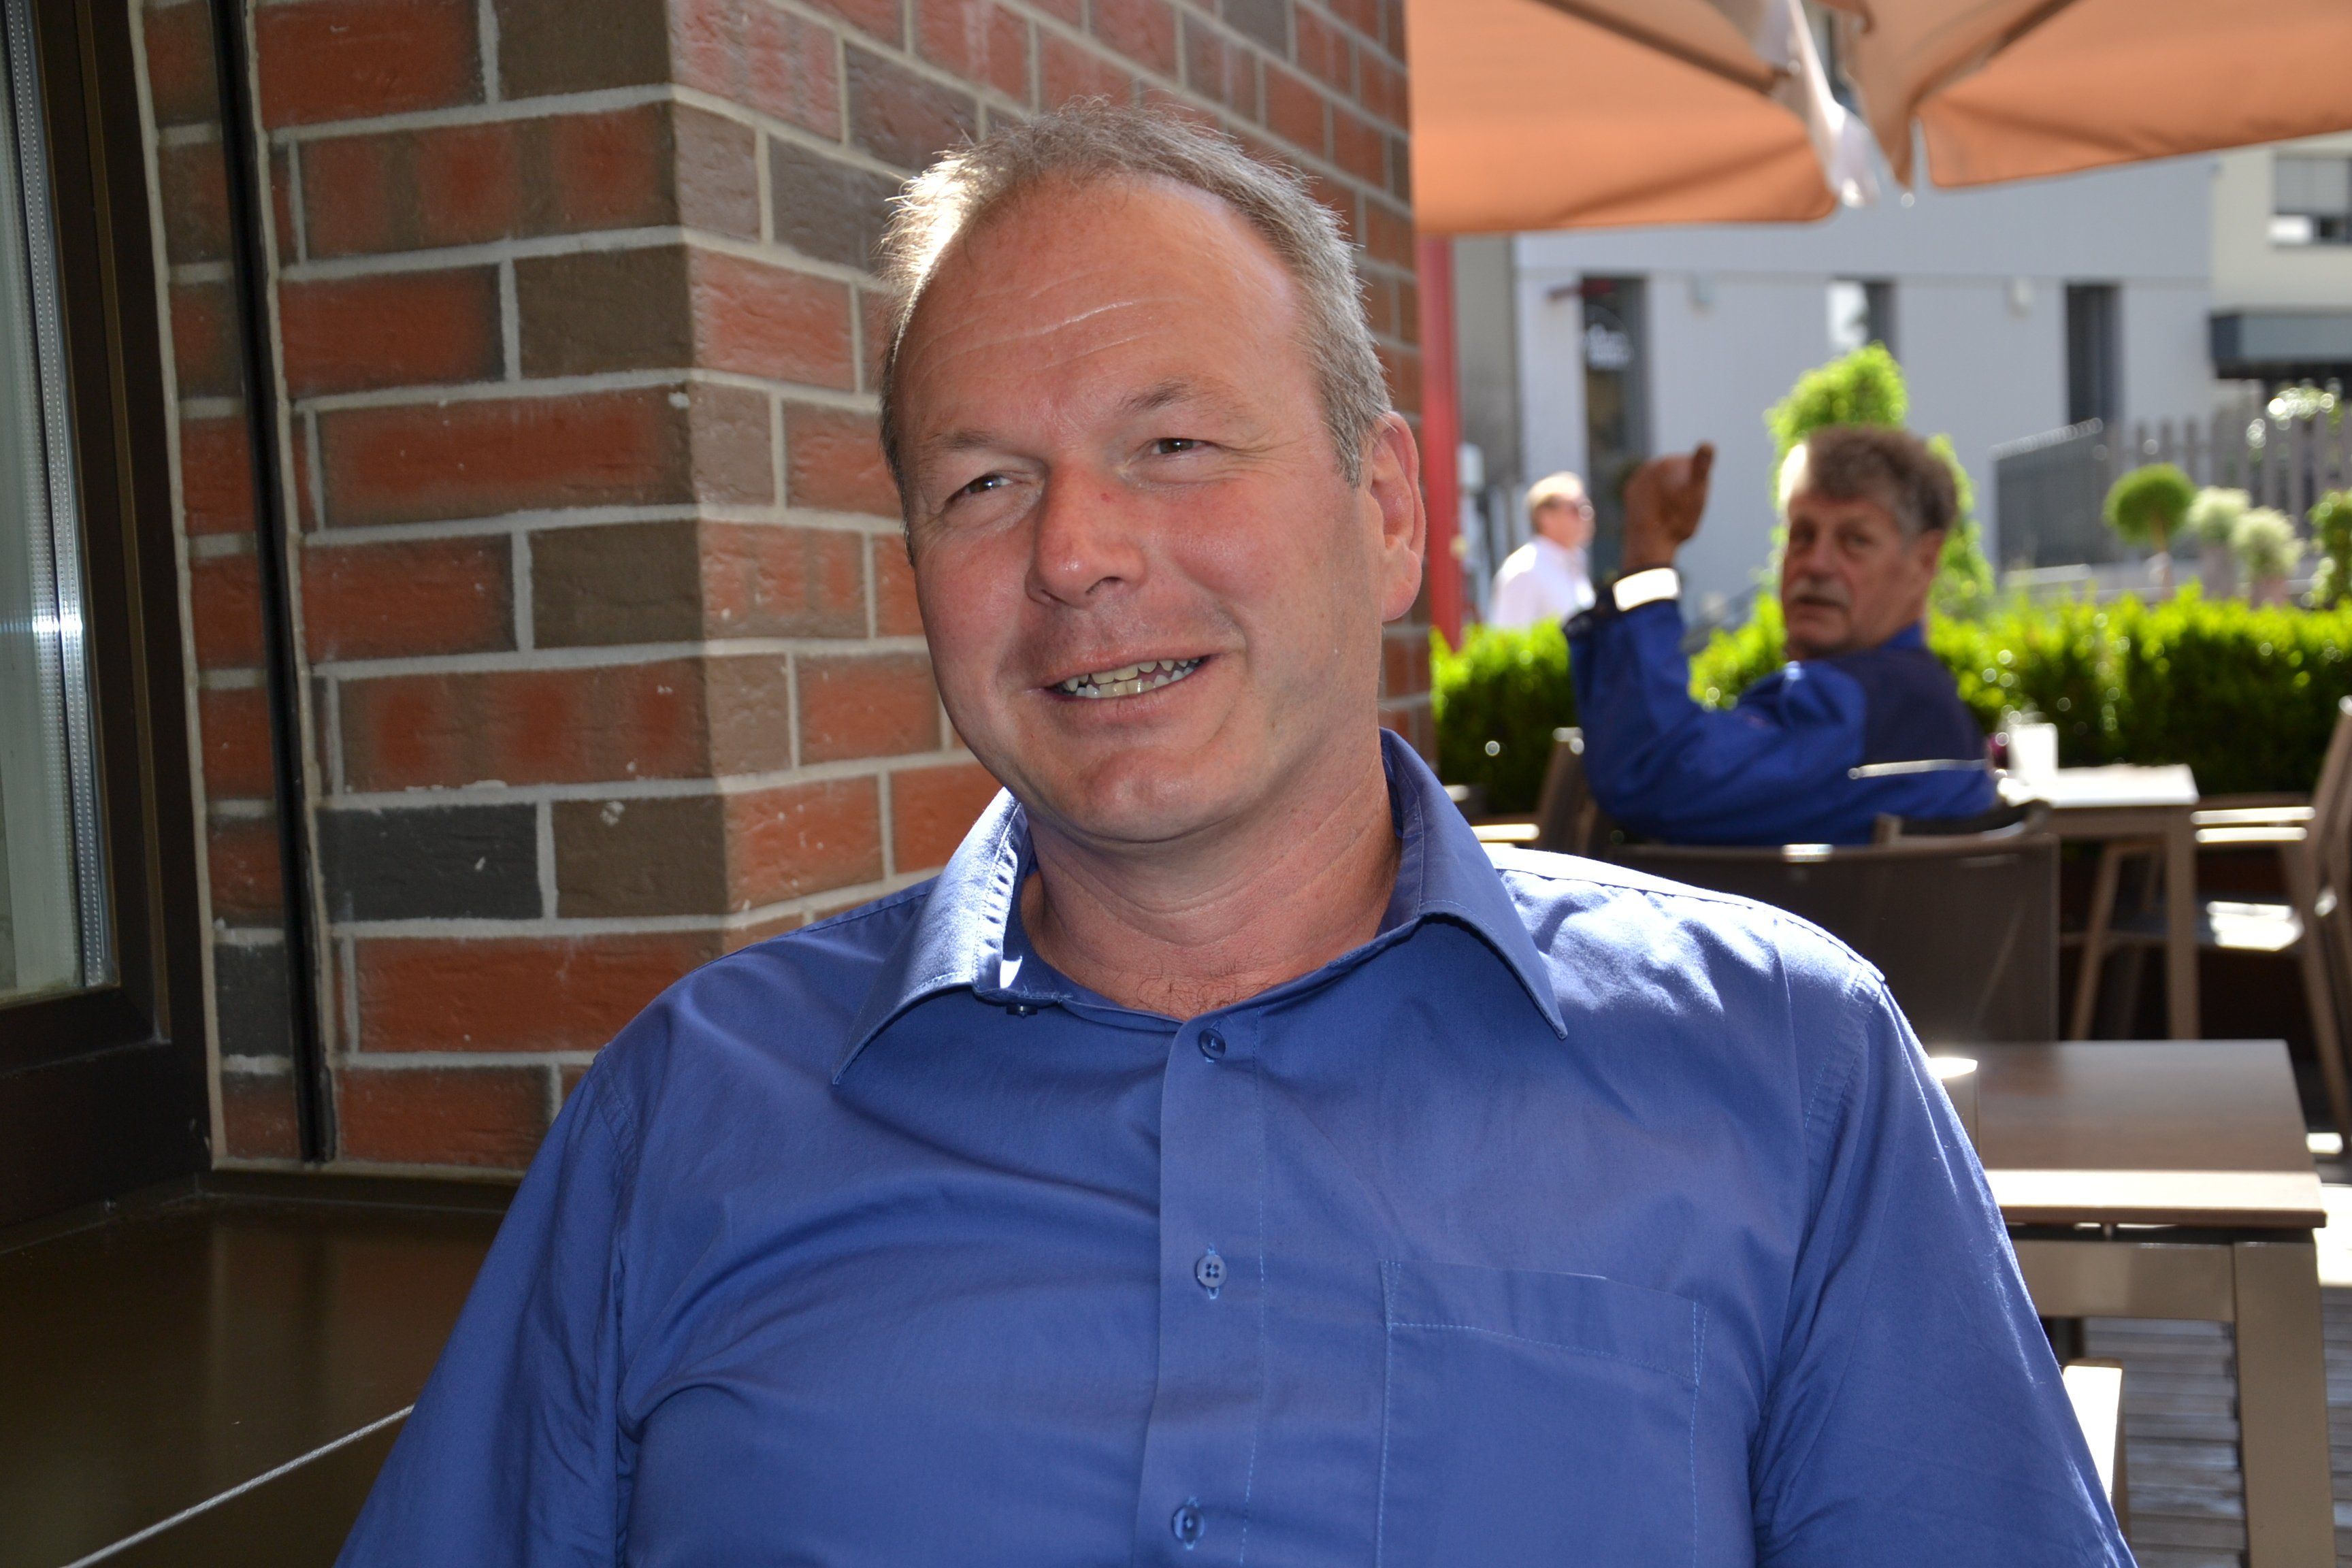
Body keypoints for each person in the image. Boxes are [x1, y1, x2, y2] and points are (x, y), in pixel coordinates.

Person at [337, 105, 2124, 1566]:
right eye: (982, 483)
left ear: (1387, 509)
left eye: (1177, 442)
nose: (1075, 553)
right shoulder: (682, 1116)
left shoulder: (1789, 1072)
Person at [1569, 427, 1997, 846]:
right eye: (1802, 535)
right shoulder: (1938, 717)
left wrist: (1648, 557)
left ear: (1924, 561)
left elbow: (1650, 768)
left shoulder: (1849, 706)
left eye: (1855, 541)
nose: (1817, 564)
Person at [1486, 470, 1595, 625]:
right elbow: (1510, 635)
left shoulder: (1573, 563)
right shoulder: (1525, 570)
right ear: (1546, 518)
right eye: (1575, 509)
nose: (1587, 516)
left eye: (1587, 508)